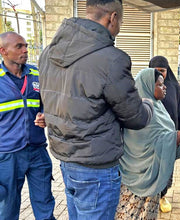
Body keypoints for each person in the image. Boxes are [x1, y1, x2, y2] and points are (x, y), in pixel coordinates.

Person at [38, 0, 153, 219]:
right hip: (97, 167)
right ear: (113, 18)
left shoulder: (48, 53)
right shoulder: (112, 60)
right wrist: (148, 104)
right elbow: (135, 117)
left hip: (66, 161)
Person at [115, 68, 180, 219]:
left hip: (153, 176)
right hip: (136, 178)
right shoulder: (140, 113)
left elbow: (165, 139)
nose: (165, 87)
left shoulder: (158, 106)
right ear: (148, 86)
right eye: (160, 85)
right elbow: (162, 142)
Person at [0, 32, 55, 220]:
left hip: (37, 151)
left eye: (26, 45)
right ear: (3, 51)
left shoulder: (36, 75)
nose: (25, 50)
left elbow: (49, 104)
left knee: (45, 204)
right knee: (7, 208)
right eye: (19, 47)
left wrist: (47, 115)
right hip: (8, 155)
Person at [149, 56, 180, 212]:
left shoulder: (174, 88)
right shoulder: (144, 86)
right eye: (155, 71)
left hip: (170, 138)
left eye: (162, 71)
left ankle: (162, 196)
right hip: (150, 140)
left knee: (166, 170)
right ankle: (150, 197)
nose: (159, 74)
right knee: (150, 170)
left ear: (167, 71)